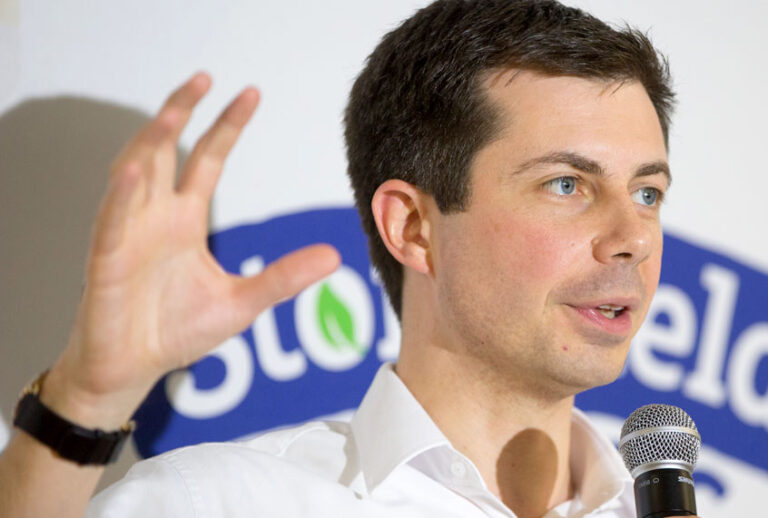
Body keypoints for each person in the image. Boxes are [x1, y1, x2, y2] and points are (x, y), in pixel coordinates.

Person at [0, 1, 701, 517]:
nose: (632, 236)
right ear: (413, 226)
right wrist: (84, 405)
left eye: (647, 191)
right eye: (567, 184)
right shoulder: (224, 504)